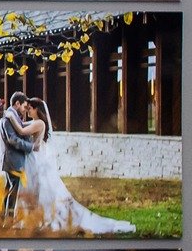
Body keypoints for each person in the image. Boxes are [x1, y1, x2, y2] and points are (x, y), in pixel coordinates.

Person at [19, 97, 135, 235]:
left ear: (37, 109)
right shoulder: (36, 123)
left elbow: (20, 129)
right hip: (37, 159)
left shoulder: (38, 123)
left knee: (45, 189)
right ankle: (40, 218)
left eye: (30, 109)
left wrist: (7, 116)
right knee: (41, 190)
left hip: (39, 161)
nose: (28, 111)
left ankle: (48, 218)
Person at [0, 94, 36, 221]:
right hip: (12, 159)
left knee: (9, 189)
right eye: (24, 106)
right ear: (17, 104)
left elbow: (21, 128)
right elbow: (13, 140)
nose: (25, 109)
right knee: (13, 191)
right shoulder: (8, 118)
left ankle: (4, 218)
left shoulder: (12, 116)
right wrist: (30, 146)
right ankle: (7, 220)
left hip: (12, 159)